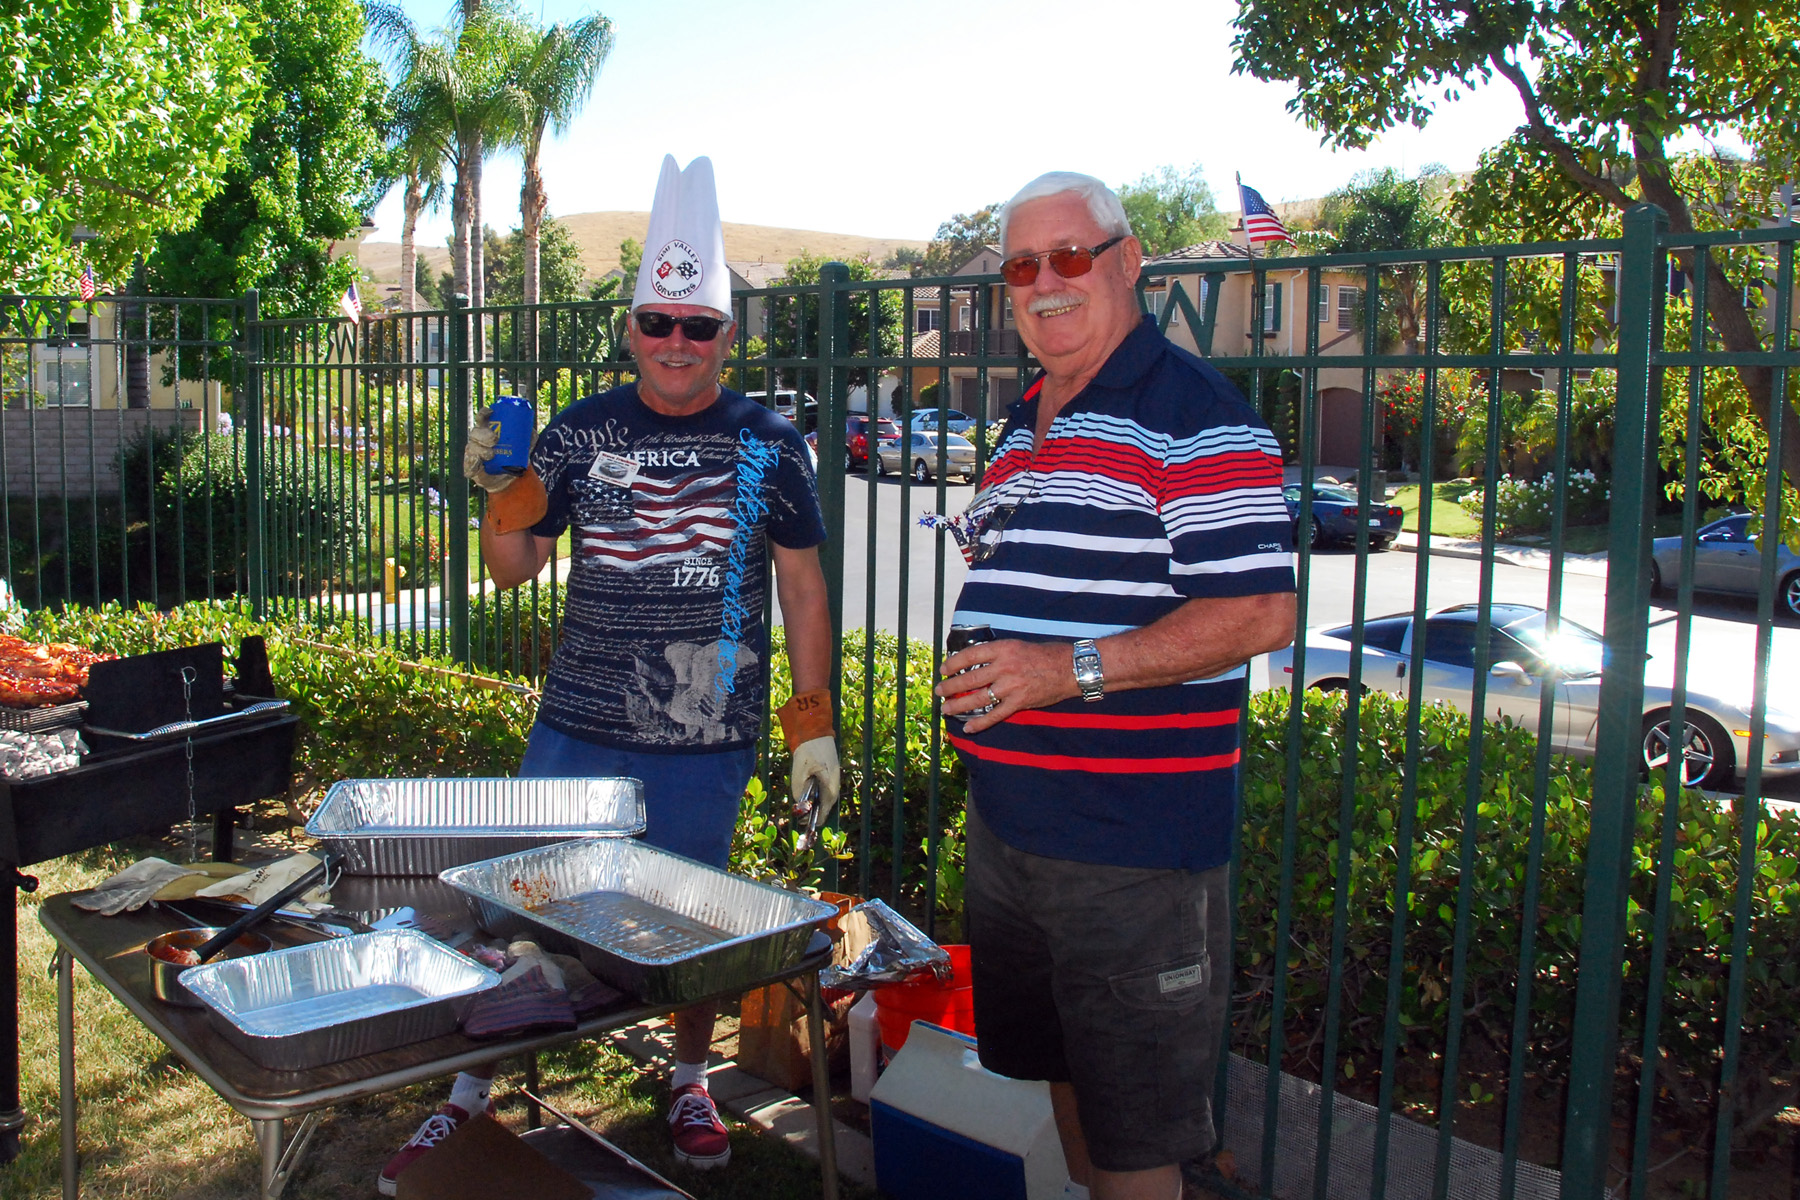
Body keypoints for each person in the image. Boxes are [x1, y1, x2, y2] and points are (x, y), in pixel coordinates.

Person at [378, 155, 840, 1194]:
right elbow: (513, 572)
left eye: (701, 327)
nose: (678, 347)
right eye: (659, 324)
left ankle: (684, 1076)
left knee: (690, 931)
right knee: (516, 918)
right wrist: (501, 483)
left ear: (728, 335)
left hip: (705, 742)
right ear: (632, 329)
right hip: (576, 731)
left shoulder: (772, 444)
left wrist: (813, 723)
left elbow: (804, 592)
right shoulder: (581, 432)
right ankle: (467, 1092)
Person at [935, 172, 1296, 1200]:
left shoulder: (1193, 413)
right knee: (1066, 1082)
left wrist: (1064, 669)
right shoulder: (1027, 417)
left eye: (1069, 256)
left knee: (1138, 1138)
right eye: (1020, 266)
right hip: (1016, 827)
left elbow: (1260, 613)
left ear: (1127, 261)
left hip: (1130, 847)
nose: (1044, 283)